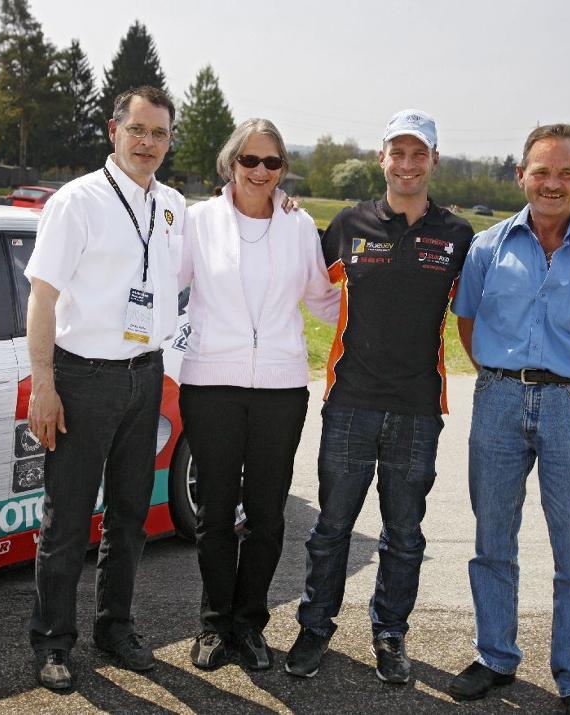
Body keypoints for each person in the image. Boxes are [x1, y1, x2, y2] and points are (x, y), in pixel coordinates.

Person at [448, 124, 570, 715]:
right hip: (500, 400)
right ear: (521, 175)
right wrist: (506, 381)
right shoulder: (488, 248)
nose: (552, 183)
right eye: (541, 171)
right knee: (492, 539)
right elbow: (468, 327)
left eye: (564, 172)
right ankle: (495, 657)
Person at [285, 110, 474, 683]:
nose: (408, 164)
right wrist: (285, 213)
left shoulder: (458, 235)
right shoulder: (348, 223)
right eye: (399, 152)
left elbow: (479, 311)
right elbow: (298, 271)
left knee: (405, 536)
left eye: (420, 154)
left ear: (434, 161)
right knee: (331, 530)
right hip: (350, 404)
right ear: (382, 158)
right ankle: (315, 627)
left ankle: (390, 633)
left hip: (419, 409)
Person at [24, 86, 186, 691]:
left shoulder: (171, 205)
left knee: (129, 516)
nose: (148, 143)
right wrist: (44, 383)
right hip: (82, 377)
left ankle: (115, 629)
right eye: (138, 130)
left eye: (159, 134)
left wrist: (280, 206)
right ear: (113, 129)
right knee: (66, 520)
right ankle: (52, 642)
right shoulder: (77, 201)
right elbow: (42, 297)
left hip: (145, 375)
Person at [177, 119, 338, 672]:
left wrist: (386, 306)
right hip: (210, 385)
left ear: (283, 170)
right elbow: (158, 287)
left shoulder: (299, 227)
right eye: (250, 161)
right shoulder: (196, 222)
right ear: (230, 164)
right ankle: (213, 624)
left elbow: (323, 299)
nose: (261, 172)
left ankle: (249, 625)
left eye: (272, 163)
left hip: (280, 387)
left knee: (268, 516)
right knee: (216, 513)